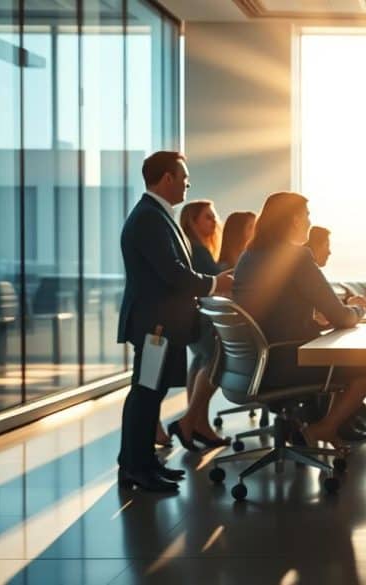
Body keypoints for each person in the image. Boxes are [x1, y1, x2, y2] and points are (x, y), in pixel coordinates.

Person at [117, 151, 233, 492]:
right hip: (156, 327)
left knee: (151, 393)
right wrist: (215, 283)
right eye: (183, 178)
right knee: (145, 393)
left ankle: (144, 463)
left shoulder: (156, 215)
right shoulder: (150, 218)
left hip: (162, 325)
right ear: (167, 178)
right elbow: (174, 274)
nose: (187, 184)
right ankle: (134, 467)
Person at [233, 192, 366, 448]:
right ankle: (324, 428)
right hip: (285, 361)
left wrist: (312, 317)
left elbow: (273, 306)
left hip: (252, 363)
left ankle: (315, 424)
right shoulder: (296, 256)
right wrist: (358, 309)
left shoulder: (248, 256)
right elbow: (342, 317)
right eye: (307, 215)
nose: (310, 222)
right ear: (293, 220)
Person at [165, 200, 230, 451]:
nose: (214, 222)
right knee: (215, 361)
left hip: (191, 315)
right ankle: (191, 420)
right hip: (202, 318)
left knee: (200, 362)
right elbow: (212, 283)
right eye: (208, 218)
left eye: (214, 217)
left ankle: (197, 423)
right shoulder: (198, 250)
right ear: (192, 221)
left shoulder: (191, 247)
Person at [305, 225, 366, 439]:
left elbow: (316, 315)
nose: (329, 252)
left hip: (284, 353)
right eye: (327, 245)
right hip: (296, 358)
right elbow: (341, 317)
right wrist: (358, 308)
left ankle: (343, 421)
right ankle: (328, 426)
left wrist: (327, 317)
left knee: (350, 358)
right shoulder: (305, 266)